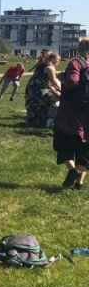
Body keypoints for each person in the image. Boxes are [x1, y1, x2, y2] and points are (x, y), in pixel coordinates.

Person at [54, 38, 89, 189]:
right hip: (87, 112)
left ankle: (72, 170)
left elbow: (73, 82)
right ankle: (79, 184)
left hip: (70, 112)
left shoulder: (76, 63)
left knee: (63, 144)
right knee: (84, 148)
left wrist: (62, 77)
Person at [25, 52, 62, 127]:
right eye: (58, 60)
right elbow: (53, 81)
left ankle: (36, 119)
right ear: (52, 59)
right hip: (39, 90)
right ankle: (49, 118)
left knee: (38, 102)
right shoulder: (50, 68)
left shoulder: (42, 65)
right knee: (55, 97)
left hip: (33, 88)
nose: (59, 62)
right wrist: (61, 90)